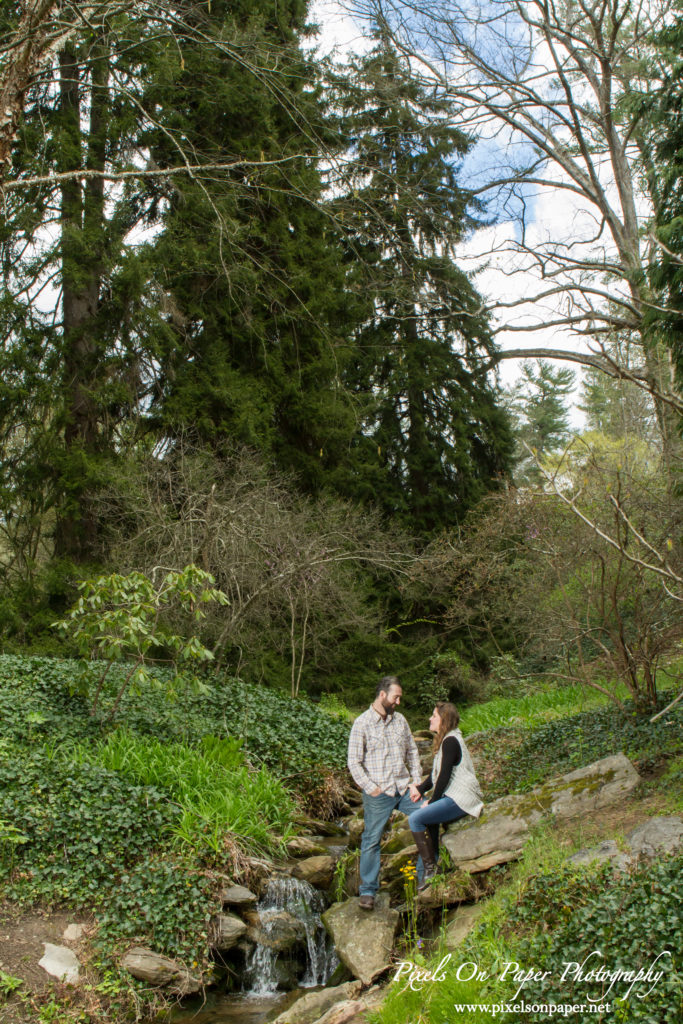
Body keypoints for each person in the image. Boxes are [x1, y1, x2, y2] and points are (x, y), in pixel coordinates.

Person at [347, 675, 422, 910]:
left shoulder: (400, 721)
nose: (398, 702)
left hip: (403, 788)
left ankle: (425, 877)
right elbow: (353, 762)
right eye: (395, 697)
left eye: (399, 698)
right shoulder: (362, 723)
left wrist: (417, 782)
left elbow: (412, 751)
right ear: (382, 695)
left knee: (429, 817)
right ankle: (368, 891)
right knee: (371, 840)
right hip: (379, 793)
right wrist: (371, 787)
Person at [408, 702, 484, 891]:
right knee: (428, 819)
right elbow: (436, 776)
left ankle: (430, 868)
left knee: (416, 818)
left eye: (434, 716)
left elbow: (443, 777)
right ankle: (425, 875)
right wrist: (419, 788)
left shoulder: (450, 741)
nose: (430, 719)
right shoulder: (448, 740)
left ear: (444, 720)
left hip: (462, 799)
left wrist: (432, 802)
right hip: (454, 796)